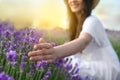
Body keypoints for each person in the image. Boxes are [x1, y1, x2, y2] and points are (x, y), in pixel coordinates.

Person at [28, 0, 120, 80]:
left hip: (106, 69)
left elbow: (83, 41)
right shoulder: (77, 25)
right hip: (93, 63)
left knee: (65, 64)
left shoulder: (92, 21)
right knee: (65, 61)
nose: (73, 0)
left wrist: (56, 52)